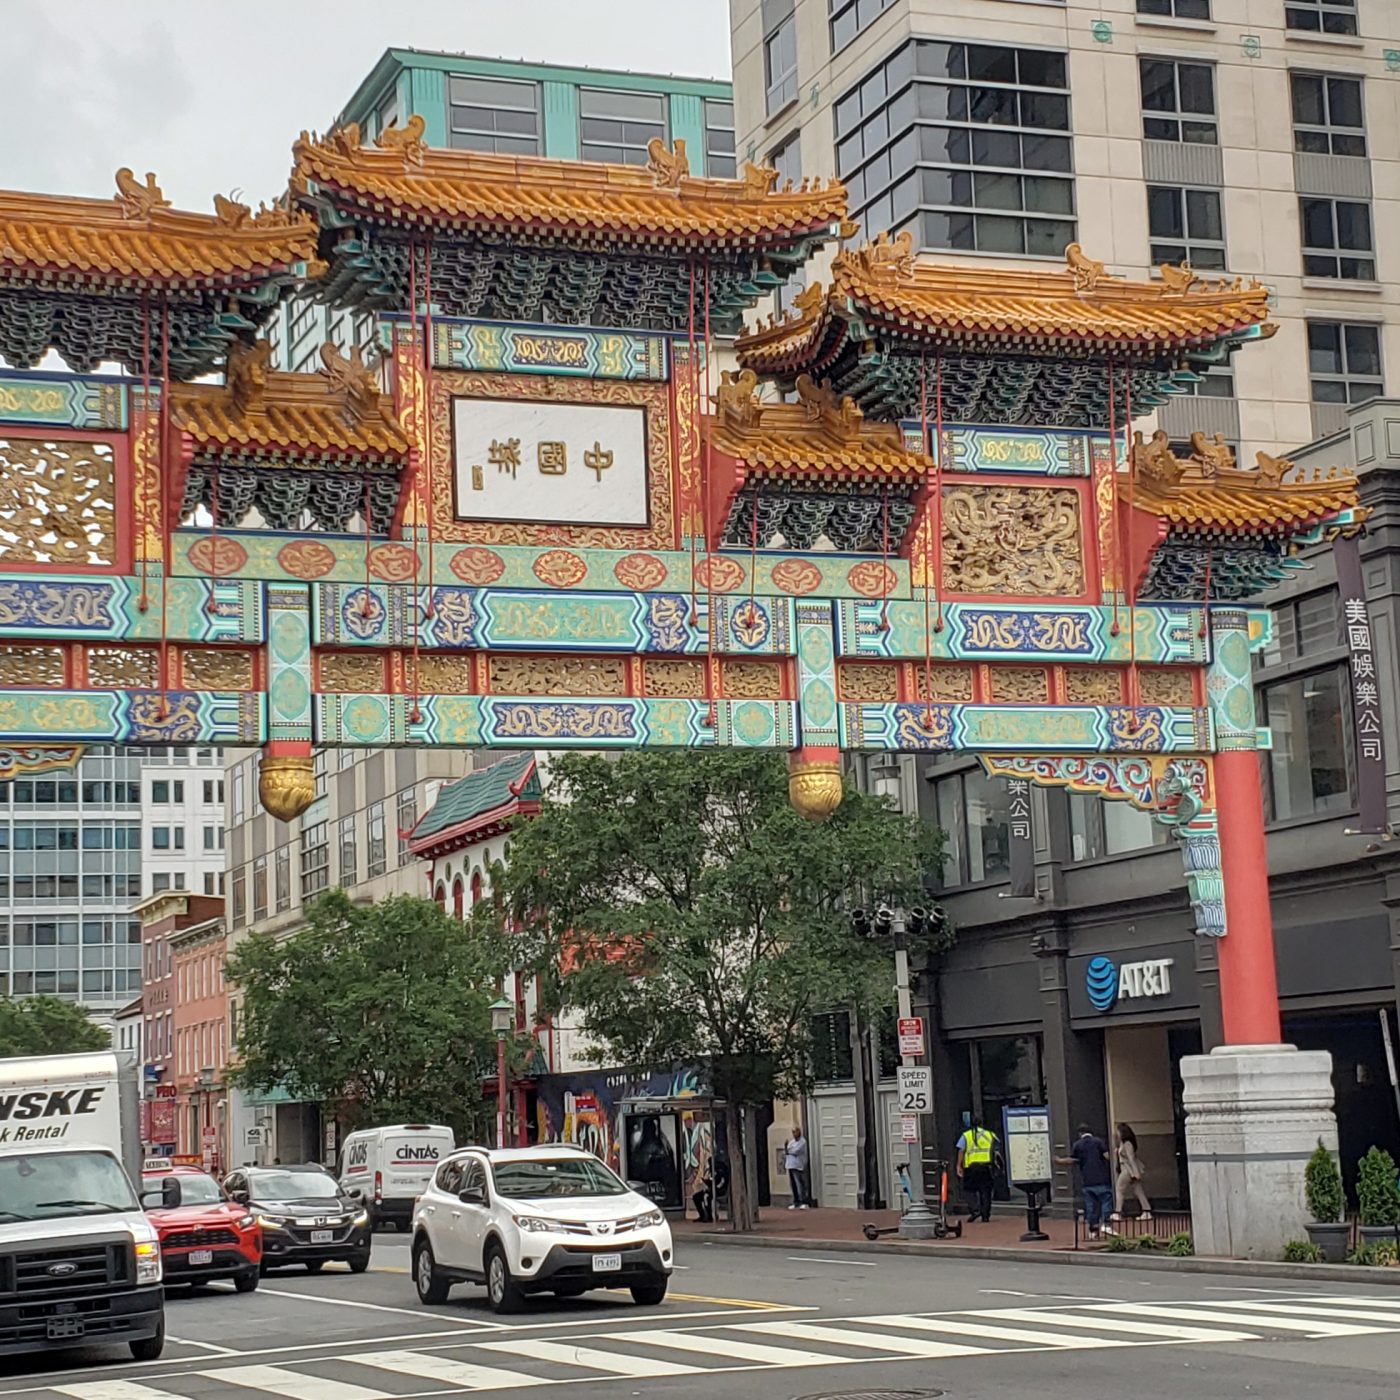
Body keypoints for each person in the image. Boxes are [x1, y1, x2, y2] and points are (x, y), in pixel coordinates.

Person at [1057, 1124, 1114, 1239]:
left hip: (1087, 1180)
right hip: (1102, 1178)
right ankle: (1106, 1223)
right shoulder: (1098, 1142)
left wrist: (1060, 1160)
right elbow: (1107, 1156)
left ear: (1080, 1134)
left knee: (1090, 1206)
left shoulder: (1077, 1145)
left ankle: (1093, 1230)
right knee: (1106, 1200)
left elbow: (1073, 1160)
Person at [956, 1114, 998, 1223]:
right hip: (986, 1166)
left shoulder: (966, 1135)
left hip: (971, 1167)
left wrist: (959, 1165)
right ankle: (985, 1215)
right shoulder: (990, 1134)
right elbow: (996, 1149)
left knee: (969, 1190)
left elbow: (961, 1150)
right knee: (985, 1191)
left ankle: (975, 1210)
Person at [1111, 1123, 1152, 1224]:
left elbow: (1131, 1158)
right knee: (1138, 1191)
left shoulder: (1127, 1143)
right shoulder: (1122, 1143)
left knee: (1119, 1189)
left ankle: (1118, 1212)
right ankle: (1146, 1210)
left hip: (1128, 1169)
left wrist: (1136, 1172)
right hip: (1127, 1168)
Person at [783, 1125, 810, 1209]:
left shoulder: (802, 1142)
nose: (794, 1134)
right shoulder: (792, 1142)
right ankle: (796, 1201)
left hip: (798, 1165)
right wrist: (788, 1150)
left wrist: (788, 1150)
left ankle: (803, 1200)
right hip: (790, 1165)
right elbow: (787, 1150)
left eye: (796, 1131)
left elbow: (795, 1151)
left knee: (799, 1183)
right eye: (793, 1132)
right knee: (793, 1184)